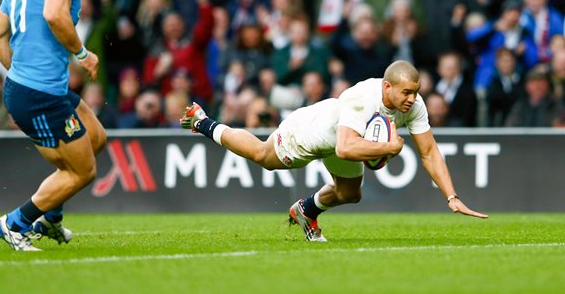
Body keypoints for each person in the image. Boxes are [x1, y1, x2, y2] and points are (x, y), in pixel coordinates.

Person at [180, 60, 488, 242]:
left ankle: (305, 211)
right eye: (406, 92)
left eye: (416, 92)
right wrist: (389, 147)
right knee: (263, 157)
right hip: (312, 132)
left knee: (351, 194)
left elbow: (429, 151)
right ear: (387, 88)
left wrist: (452, 196)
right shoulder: (362, 98)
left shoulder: (413, 105)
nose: (412, 99)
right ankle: (203, 122)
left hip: (344, 137)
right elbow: (345, 147)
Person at [0, 0, 106, 251]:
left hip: (38, 88)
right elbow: (54, 14)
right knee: (82, 172)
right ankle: (15, 223)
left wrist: (22, 75)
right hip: (40, 96)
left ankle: (50, 220)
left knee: (96, 138)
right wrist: (82, 55)